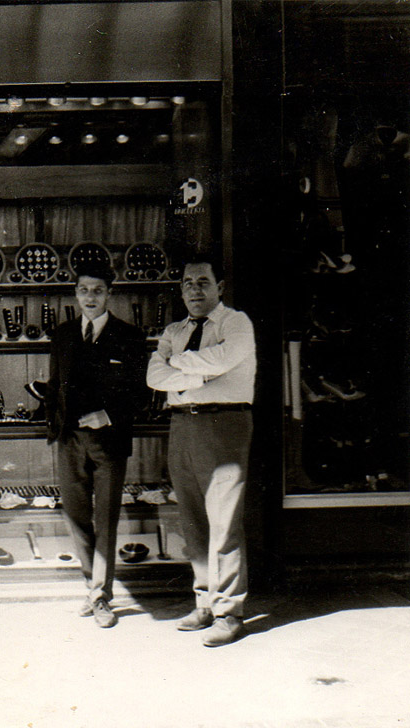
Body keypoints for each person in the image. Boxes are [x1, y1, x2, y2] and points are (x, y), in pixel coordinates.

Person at [146, 256, 256, 647]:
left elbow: (225, 358)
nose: (195, 289)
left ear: (220, 287)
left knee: (224, 521)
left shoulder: (236, 323)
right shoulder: (175, 329)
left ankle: (229, 611)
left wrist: (178, 366)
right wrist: (200, 371)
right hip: (183, 426)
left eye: (203, 281)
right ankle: (205, 602)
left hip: (224, 425)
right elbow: (153, 376)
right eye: (188, 283)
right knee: (192, 519)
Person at [45, 265, 145, 628]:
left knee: (106, 518)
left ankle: (101, 596)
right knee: (76, 517)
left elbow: (142, 394)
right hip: (70, 442)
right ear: (75, 294)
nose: (90, 297)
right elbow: (55, 386)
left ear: (109, 294)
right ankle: (92, 587)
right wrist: (54, 428)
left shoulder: (129, 337)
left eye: (98, 290)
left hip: (109, 443)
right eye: (84, 290)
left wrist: (109, 415)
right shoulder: (63, 335)